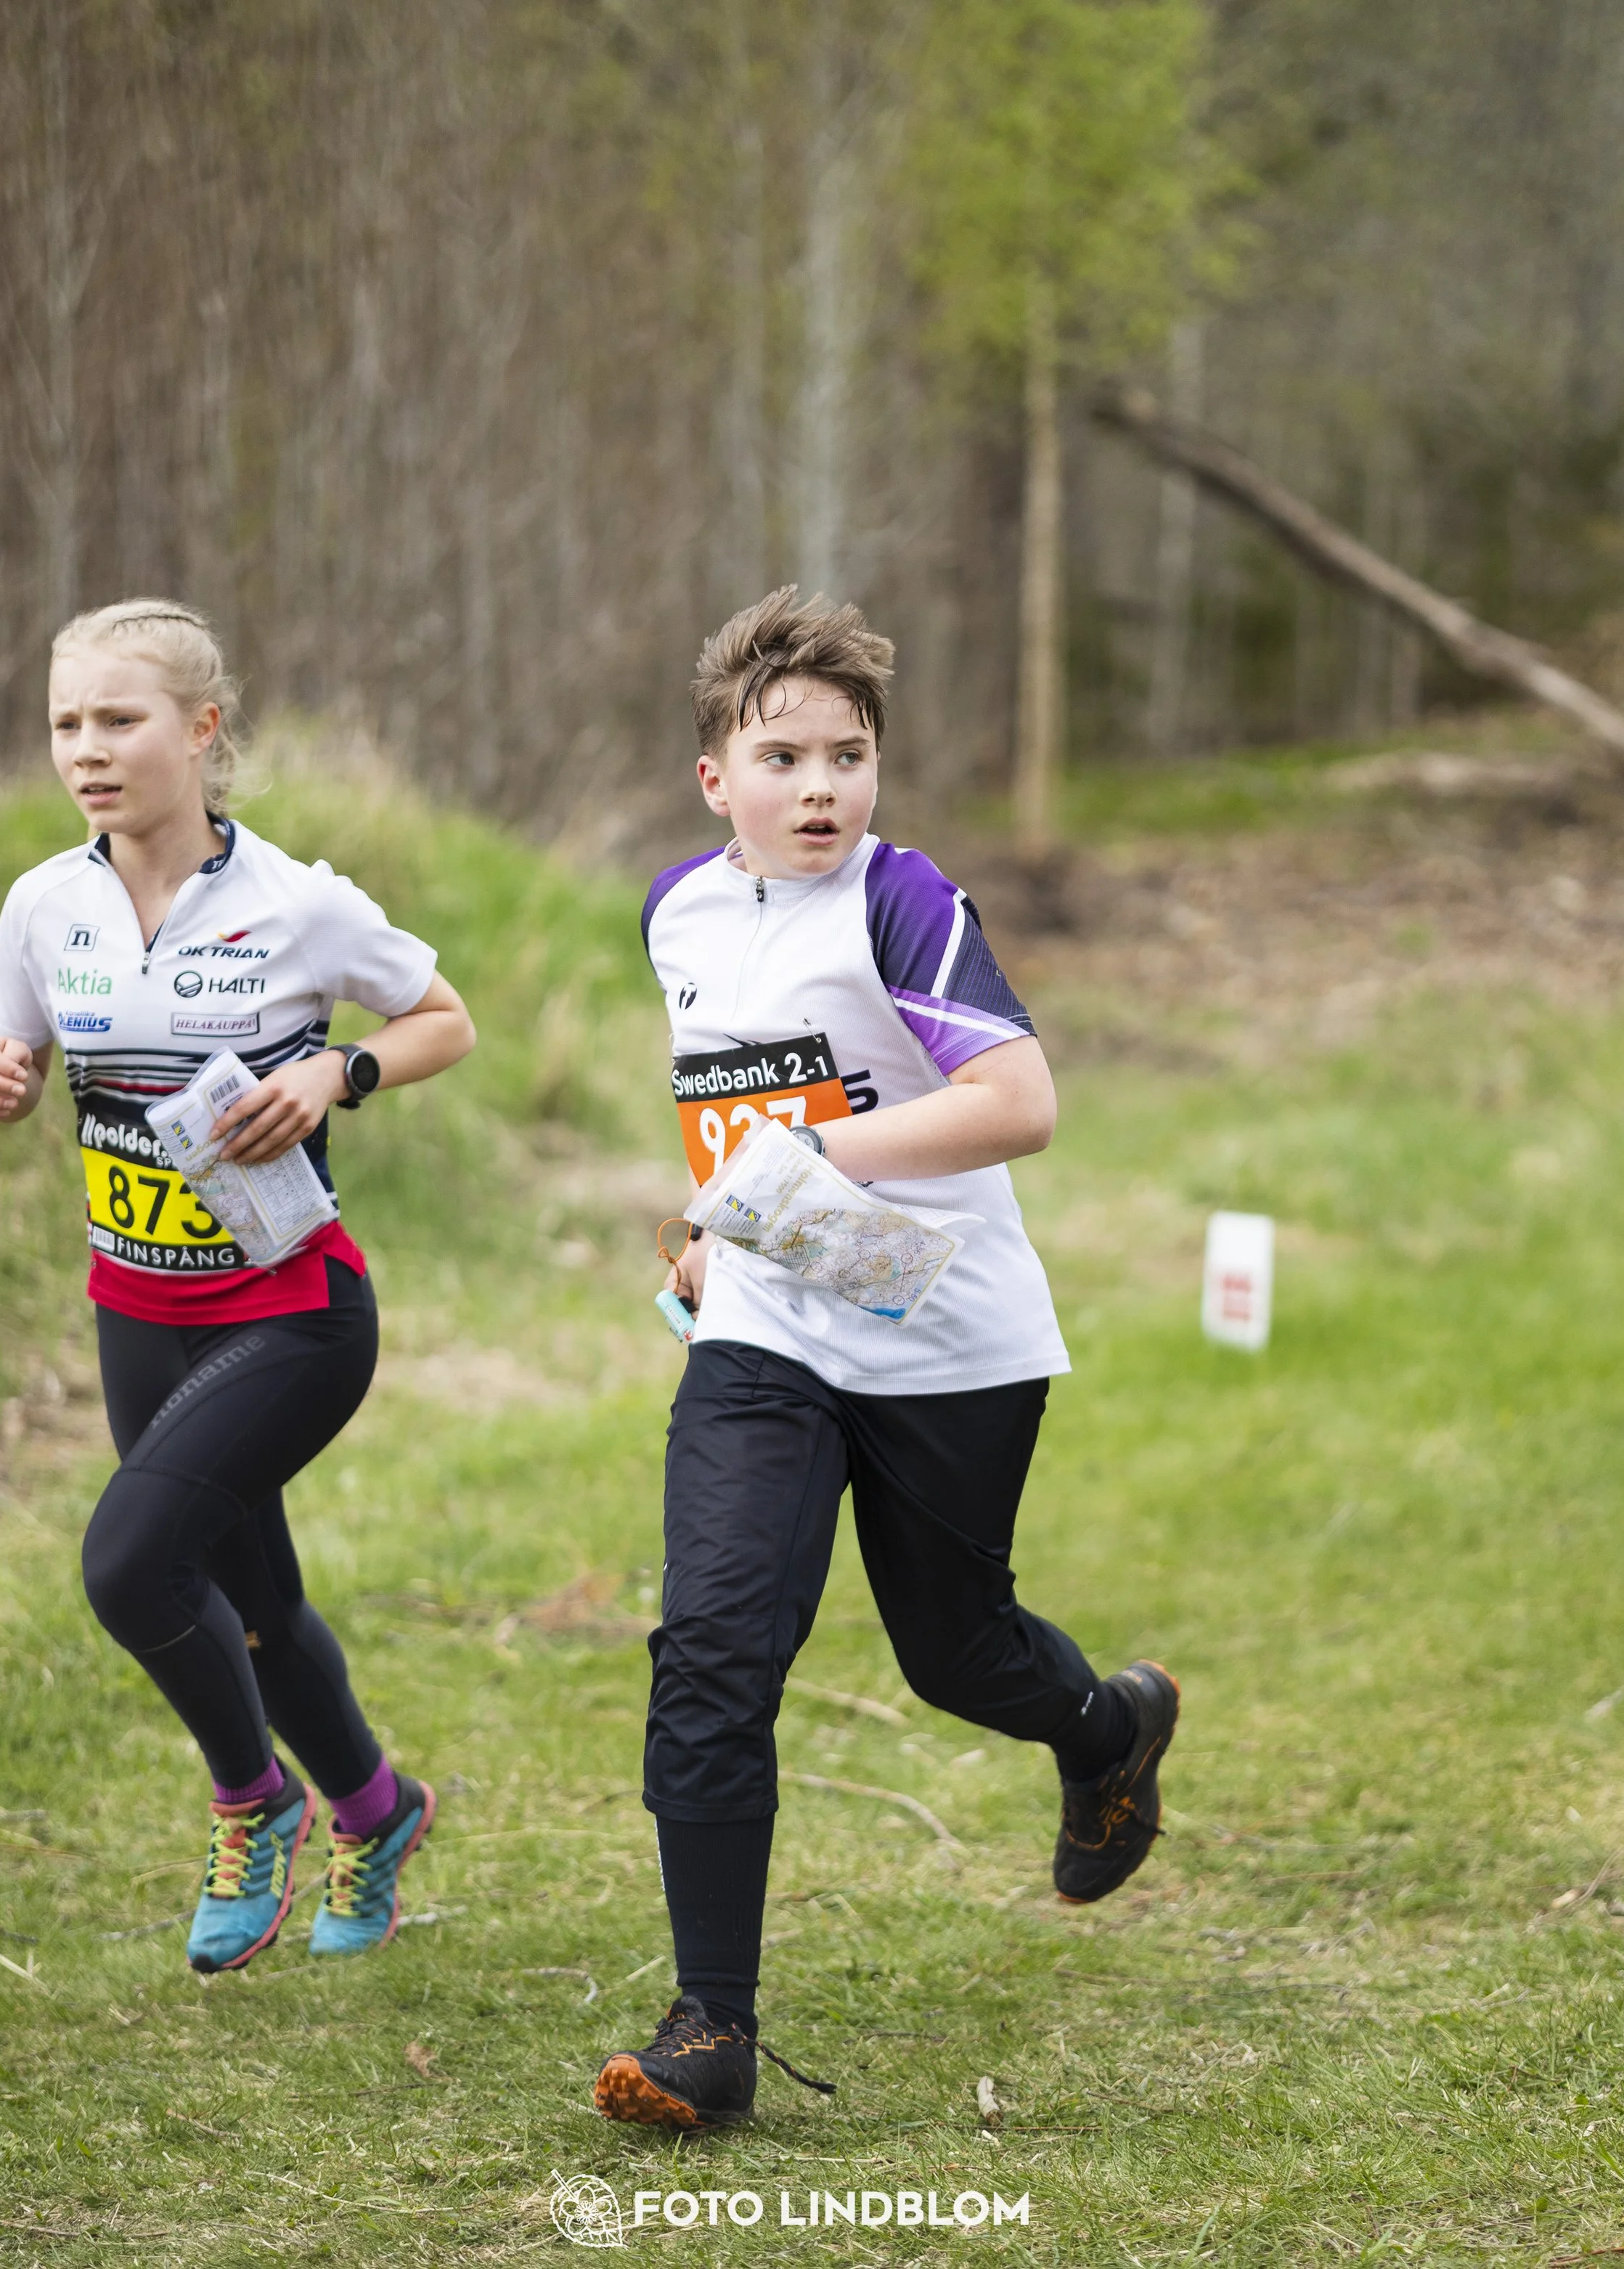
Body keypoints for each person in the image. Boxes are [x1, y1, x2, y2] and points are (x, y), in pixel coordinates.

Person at [593, 587, 1180, 2131]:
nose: (819, 789)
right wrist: (728, 1222)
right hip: (766, 1336)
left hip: (948, 1344)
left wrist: (807, 1159)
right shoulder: (675, 910)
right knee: (713, 1648)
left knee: (955, 1649)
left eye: (846, 756)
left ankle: (1106, 1727)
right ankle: (708, 2027)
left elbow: (1016, 1102)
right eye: (780, 756)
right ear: (712, 774)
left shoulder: (901, 898)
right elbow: (733, 1104)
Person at [0, 600, 476, 1974]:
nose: (88, 749)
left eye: (119, 720)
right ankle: (381, 1812)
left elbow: (444, 1018)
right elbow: (4, 1061)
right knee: (254, 1605)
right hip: (136, 1311)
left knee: (132, 1566)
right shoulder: (44, 905)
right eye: (68, 722)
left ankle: (256, 1800)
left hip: (293, 1310)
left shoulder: (295, 902)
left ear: (200, 731)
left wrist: (334, 1071)